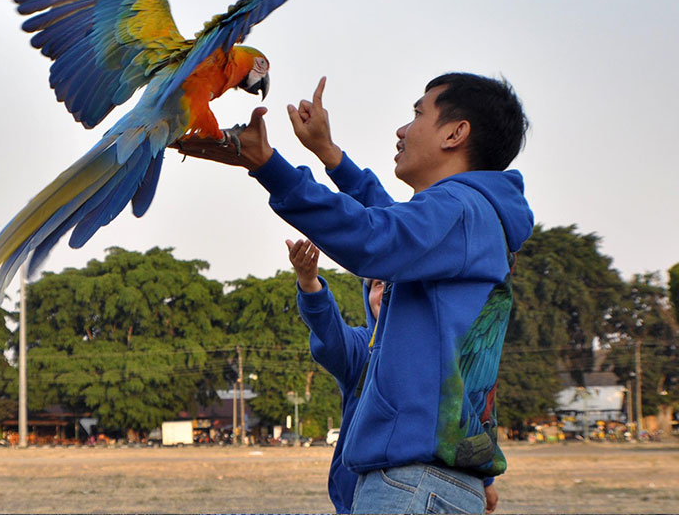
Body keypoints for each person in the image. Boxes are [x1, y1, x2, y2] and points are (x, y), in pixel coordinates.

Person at [175, 72, 531, 514]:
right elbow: (392, 220)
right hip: (433, 482)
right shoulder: (474, 216)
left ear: (456, 133)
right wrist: (329, 155)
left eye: (418, 113)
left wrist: (269, 165)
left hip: (413, 484)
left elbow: (374, 237)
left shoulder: (459, 208)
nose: (403, 129)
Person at [288, 239, 499, 514]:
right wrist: (309, 283)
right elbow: (329, 333)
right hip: (365, 495)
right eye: (377, 284)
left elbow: (472, 411)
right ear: (367, 297)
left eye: (395, 283)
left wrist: (486, 478)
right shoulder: (361, 347)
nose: (387, 291)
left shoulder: (444, 350)